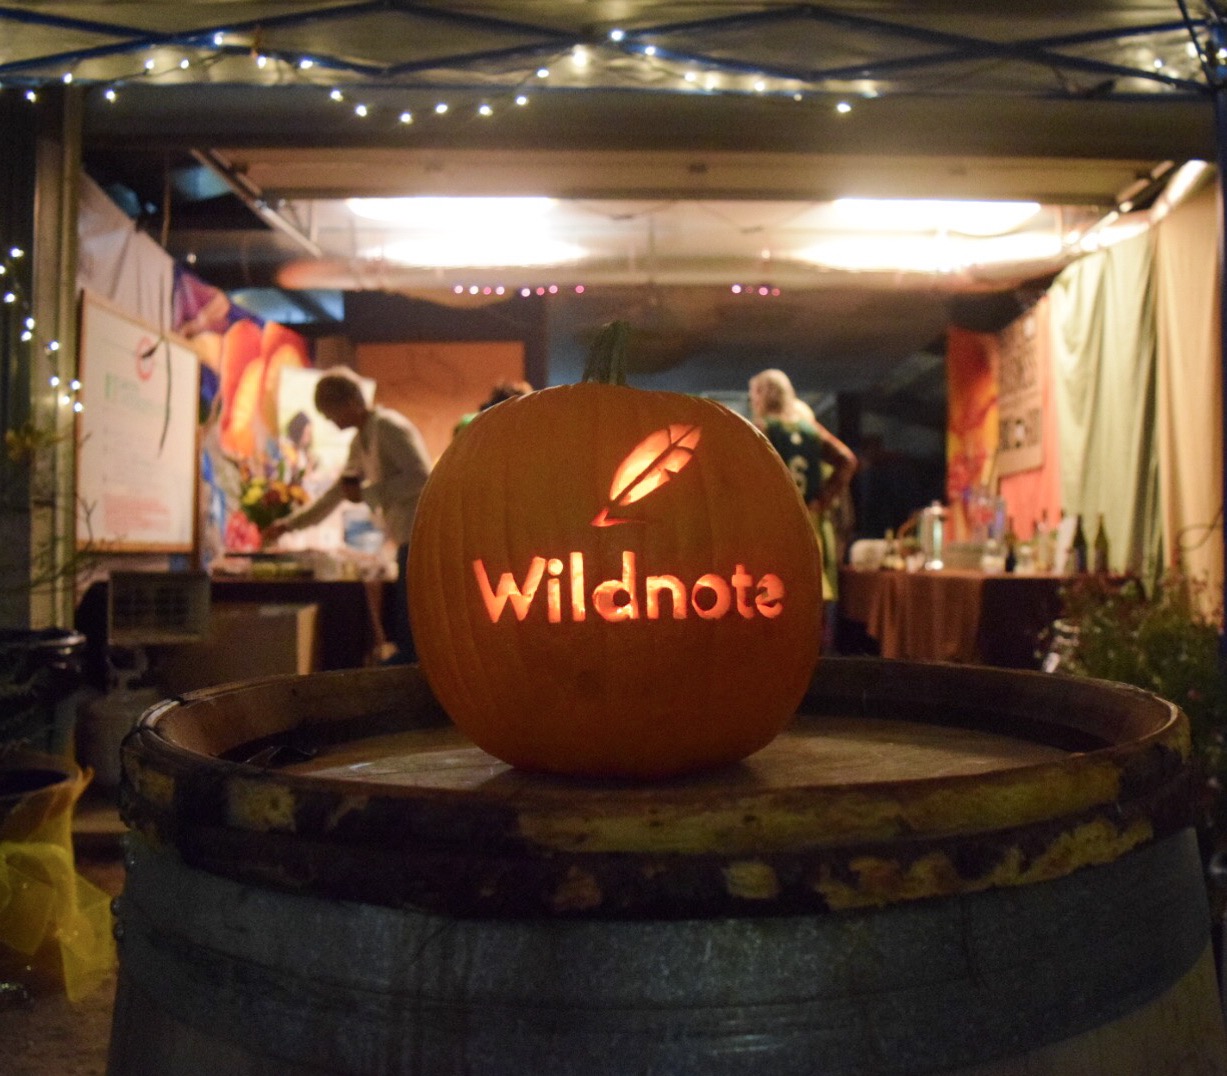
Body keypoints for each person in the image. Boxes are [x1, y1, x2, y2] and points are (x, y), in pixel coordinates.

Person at [263, 366, 432, 664]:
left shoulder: (389, 427)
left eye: (331, 413)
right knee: (406, 625)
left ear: (351, 402)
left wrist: (368, 494)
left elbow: (422, 478)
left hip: (421, 535)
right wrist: (289, 524)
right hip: (404, 535)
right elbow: (336, 494)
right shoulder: (362, 439)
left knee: (412, 629)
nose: (332, 421)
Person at [748, 368, 858, 645]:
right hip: (810, 523)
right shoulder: (811, 430)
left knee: (775, 594)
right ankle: (816, 656)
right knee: (811, 593)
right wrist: (823, 499)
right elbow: (847, 459)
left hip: (775, 527)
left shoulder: (762, 429)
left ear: (761, 395)